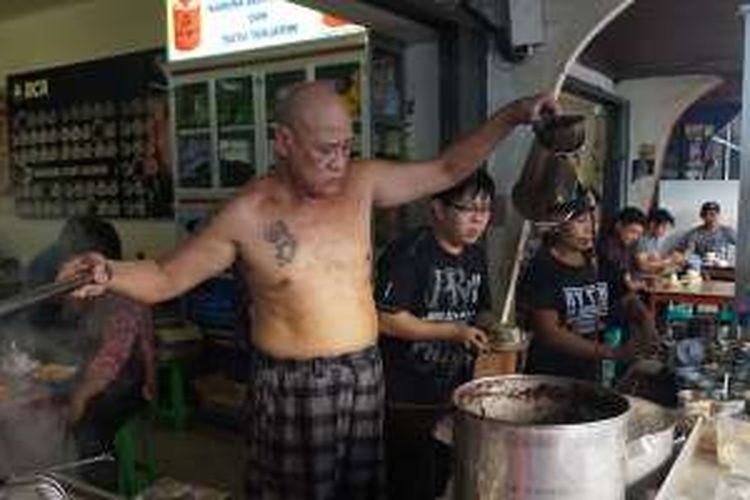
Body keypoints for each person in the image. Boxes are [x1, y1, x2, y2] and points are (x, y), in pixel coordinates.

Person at [61, 81, 553, 499]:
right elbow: (167, 276)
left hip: (364, 375)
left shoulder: (363, 182)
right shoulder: (247, 214)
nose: (339, 161)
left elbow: (447, 170)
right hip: (293, 388)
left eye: (345, 146)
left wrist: (513, 115)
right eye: (324, 149)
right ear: (284, 141)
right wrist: (110, 271)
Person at [375, 170, 494, 499]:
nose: (478, 220)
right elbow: (386, 320)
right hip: (408, 394)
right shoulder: (409, 252)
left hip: (455, 392)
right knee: (408, 481)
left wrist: (493, 326)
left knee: (444, 476)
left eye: (485, 210)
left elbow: (481, 309)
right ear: (438, 209)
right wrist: (453, 332)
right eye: (468, 209)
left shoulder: (476, 255)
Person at [517, 196, 634, 381]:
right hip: (549, 375)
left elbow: (626, 296)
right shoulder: (542, 267)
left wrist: (646, 323)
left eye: (594, 220)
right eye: (581, 221)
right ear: (557, 223)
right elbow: (549, 332)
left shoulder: (598, 261)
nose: (590, 229)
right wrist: (609, 352)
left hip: (589, 372)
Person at [635, 207, 683, 275]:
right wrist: (667, 262)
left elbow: (675, 260)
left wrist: (671, 260)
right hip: (644, 278)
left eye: (667, 228)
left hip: (658, 275)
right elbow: (643, 266)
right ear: (652, 224)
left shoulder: (661, 239)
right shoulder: (641, 239)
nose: (665, 231)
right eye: (664, 227)